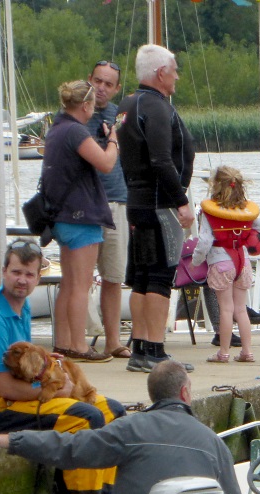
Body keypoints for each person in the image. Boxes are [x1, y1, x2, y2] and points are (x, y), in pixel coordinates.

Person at [0, 360, 244, 494]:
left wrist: (3, 440)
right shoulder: (213, 443)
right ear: (184, 394)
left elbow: (67, 448)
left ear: (152, 395)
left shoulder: (128, 430)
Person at [0, 239, 126, 494]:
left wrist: (49, 366)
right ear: (4, 272)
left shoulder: (19, 309)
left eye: (29, 274)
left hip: (16, 393)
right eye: (16, 272)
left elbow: (24, 369)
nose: (22, 280)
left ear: (38, 278)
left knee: (112, 411)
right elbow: (5, 386)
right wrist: (57, 392)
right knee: (85, 417)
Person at [116, 44, 195, 374]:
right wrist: (182, 201)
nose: (177, 75)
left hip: (137, 200)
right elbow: (161, 159)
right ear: (161, 73)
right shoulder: (157, 107)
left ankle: (141, 349)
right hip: (161, 204)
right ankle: (157, 351)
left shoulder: (128, 105)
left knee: (142, 277)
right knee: (161, 276)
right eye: (174, 69)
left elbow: (126, 157)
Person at [43, 80, 120, 363]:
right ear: (86, 105)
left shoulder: (57, 129)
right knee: (80, 284)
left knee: (69, 282)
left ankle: (64, 342)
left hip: (62, 216)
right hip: (80, 216)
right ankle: (78, 344)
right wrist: (113, 140)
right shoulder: (76, 131)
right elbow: (106, 163)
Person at [192, 166, 260, 364]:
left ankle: (223, 353)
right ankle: (247, 352)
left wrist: (196, 262)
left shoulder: (209, 212)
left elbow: (204, 242)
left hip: (221, 264)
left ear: (215, 185)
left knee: (226, 310)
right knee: (240, 309)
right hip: (243, 262)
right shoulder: (245, 211)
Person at [86, 60, 131, 360]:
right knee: (79, 277)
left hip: (117, 200)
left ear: (116, 88)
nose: (101, 88)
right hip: (86, 203)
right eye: (97, 81)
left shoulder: (119, 115)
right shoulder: (78, 112)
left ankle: (113, 340)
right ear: (89, 80)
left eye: (108, 84)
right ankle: (78, 338)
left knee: (113, 275)